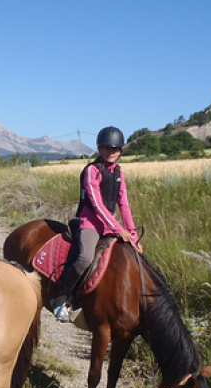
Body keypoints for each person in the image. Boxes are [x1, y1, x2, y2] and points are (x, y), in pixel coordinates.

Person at [50, 125, 143, 323]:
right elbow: (97, 205)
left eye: (115, 149)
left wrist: (133, 235)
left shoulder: (119, 172)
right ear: (100, 149)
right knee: (84, 257)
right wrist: (119, 229)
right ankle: (62, 299)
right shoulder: (92, 171)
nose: (111, 152)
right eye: (107, 148)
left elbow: (124, 204)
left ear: (120, 151)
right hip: (91, 222)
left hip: (109, 225)